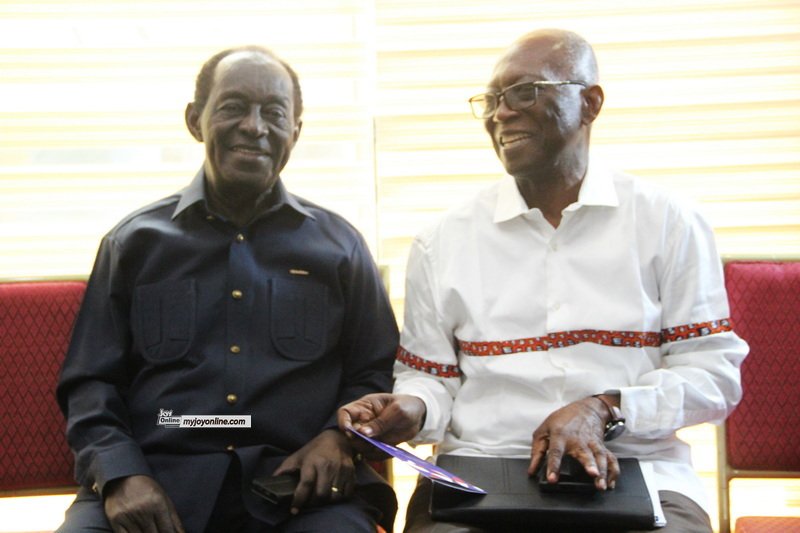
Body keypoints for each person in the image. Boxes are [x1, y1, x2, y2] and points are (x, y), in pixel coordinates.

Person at [338, 29, 749, 532]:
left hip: (640, 475)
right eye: (491, 100)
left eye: (525, 91)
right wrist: (411, 407)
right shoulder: (441, 242)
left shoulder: (669, 224)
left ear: (590, 102)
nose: (501, 113)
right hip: (480, 474)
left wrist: (605, 409)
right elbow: (431, 380)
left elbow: (714, 377)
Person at [56, 45, 399, 533]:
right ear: (196, 120)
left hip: (300, 491)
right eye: (234, 107)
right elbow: (91, 383)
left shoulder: (340, 248)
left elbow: (375, 371)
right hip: (156, 481)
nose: (254, 126)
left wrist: (338, 440)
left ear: (295, 132)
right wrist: (119, 474)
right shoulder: (134, 242)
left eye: (274, 113)